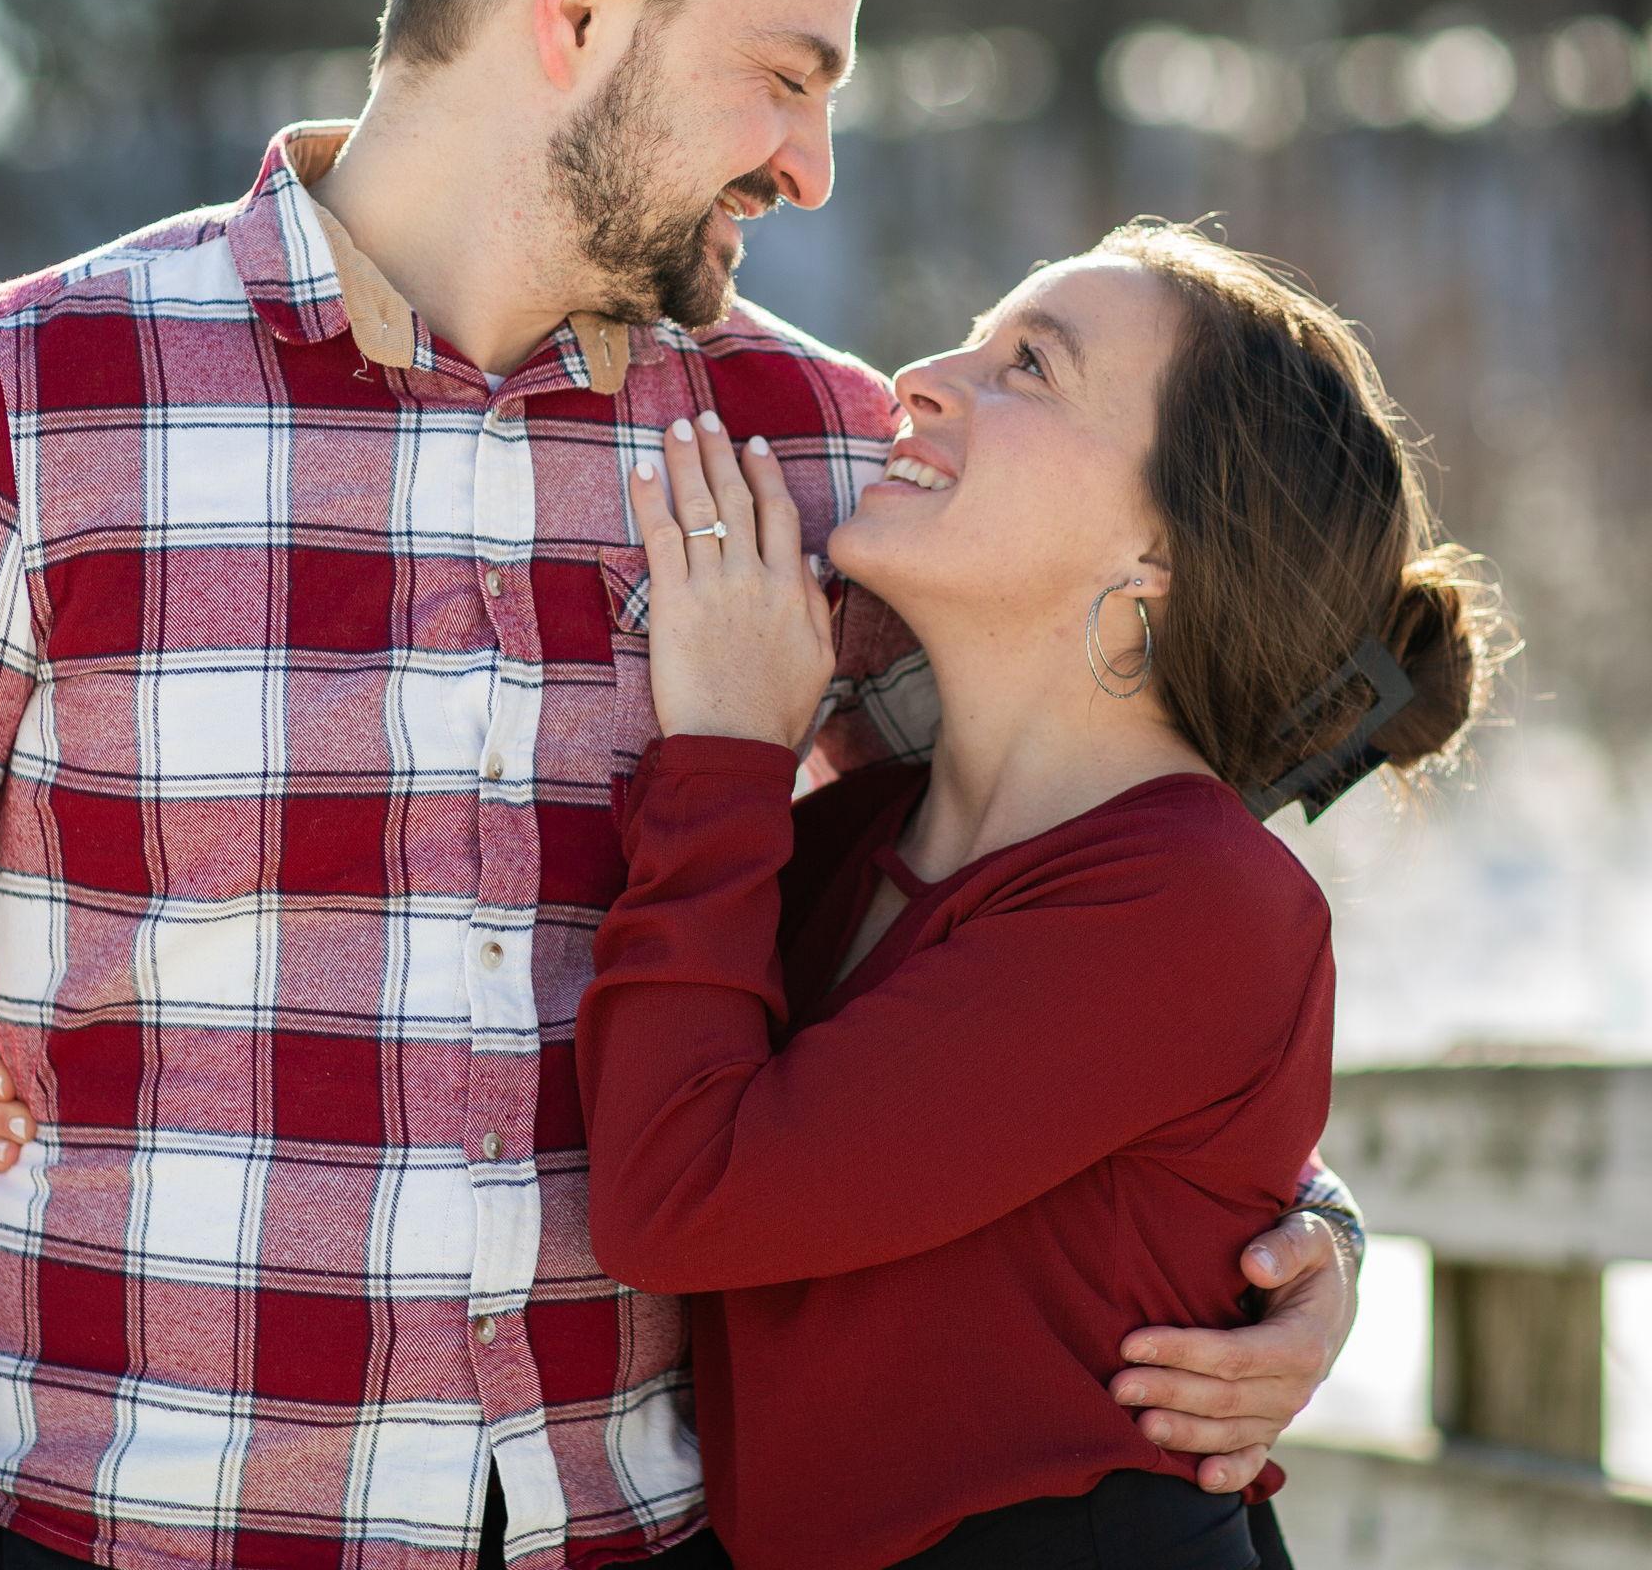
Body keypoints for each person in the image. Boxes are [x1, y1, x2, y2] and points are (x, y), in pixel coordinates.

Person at [0, 0, 1363, 1570]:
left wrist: (1294, 1231)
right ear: (578, 12)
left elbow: (1049, 899)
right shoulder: (12, 413)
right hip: (123, 1533)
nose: (811, 164)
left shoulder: (823, 465)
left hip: (642, 1545)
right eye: (788, 72)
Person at [571, 225, 1503, 1569]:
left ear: (1160, 559)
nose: (922, 378)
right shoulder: (841, 848)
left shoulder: (1198, 905)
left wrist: (720, 752)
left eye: (1028, 368)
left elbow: (680, 1198)